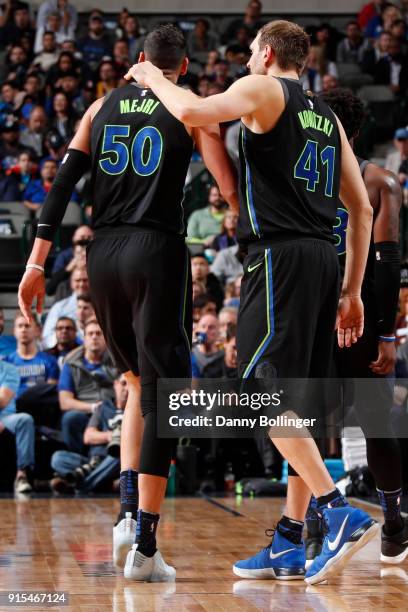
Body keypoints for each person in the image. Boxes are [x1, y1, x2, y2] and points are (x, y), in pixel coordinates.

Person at [125, 19, 377, 585]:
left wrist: (149, 76)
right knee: (300, 406)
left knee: (262, 394)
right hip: (322, 260)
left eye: (249, 56)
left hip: (280, 258)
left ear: (265, 54)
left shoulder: (265, 88)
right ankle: (290, 540)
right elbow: (360, 210)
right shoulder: (327, 116)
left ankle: (336, 510)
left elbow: (191, 114)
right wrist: (352, 289)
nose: (245, 65)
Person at [18, 24, 238, 582]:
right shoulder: (189, 108)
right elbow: (228, 190)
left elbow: (63, 184)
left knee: (139, 386)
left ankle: (124, 511)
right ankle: (144, 545)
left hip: (102, 255)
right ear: (183, 68)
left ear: (139, 60)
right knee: (167, 395)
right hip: (156, 249)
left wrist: (38, 262)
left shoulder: (98, 107)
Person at [303, 88, 406, 566]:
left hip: (315, 311)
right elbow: (387, 267)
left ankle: (314, 522)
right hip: (361, 310)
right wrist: (385, 334)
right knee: (374, 420)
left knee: (306, 420)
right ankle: (393, 523)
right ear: (360, 131)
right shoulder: (381, 179)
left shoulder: (298, 173)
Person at [50, 374, 126, 496]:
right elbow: (88, 437)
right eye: (123, 383)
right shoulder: (103, 408)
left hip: (116, 461)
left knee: (119, 456)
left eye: (130, 386)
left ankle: (81, 486)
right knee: (58, 458)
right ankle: (103, 483)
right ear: (115, 384)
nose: (126, 389)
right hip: (93, 461)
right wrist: (111, 436)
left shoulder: (137, 410)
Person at [58, 318, 117, 455]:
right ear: (84, 338)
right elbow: (65, 402)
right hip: (86, 411)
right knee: (70, 418)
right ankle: (78, 459)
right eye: (90, 334)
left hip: (112, 411)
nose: (94, 337)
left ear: (106, 339)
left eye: (98, 333)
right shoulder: (71, 363)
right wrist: (93, 407)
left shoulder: (117, 360)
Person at [0, 358, 35, 495]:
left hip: (6, 417)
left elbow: (2, 400)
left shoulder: (9, 369)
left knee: (24, 420)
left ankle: (22, 475)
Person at [5, 311, 59, 398]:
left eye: (27, 326)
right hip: (13, 409)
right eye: (20, 326)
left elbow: (51, 393)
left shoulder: (50, 361)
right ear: (14, 331)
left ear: (38, 330)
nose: (23, 330)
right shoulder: (6, 363)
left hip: (41, 407)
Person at [42, 266, 89, 349]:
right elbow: (47, 338)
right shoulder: (59, 307)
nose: (81, 284)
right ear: (71, 283)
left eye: (85, 280)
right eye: (78, 280)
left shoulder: (102, 305)